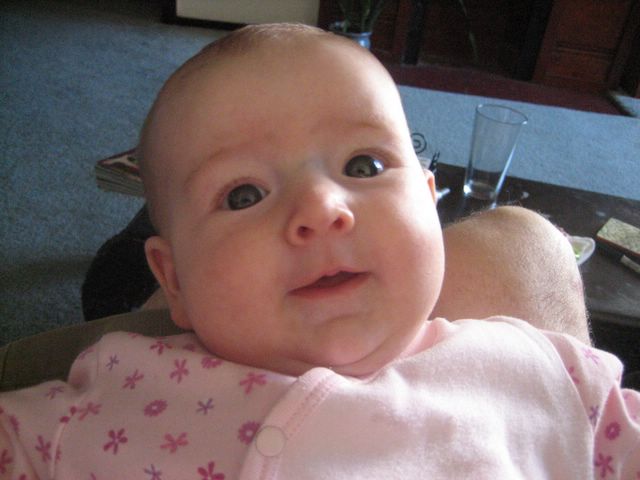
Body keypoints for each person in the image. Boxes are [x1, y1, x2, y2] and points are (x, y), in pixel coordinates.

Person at [0, 24, 637, 478]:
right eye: (244, 195)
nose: (321, 208)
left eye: (364, 165)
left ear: (429, 201)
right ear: (174, 282)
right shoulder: (121, 391)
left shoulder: (541, 374)